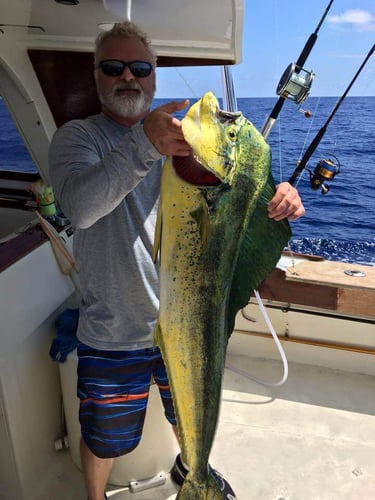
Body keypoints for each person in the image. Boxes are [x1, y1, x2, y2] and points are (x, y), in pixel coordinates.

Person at [49, 21, 305, 500]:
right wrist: (144, 143)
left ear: (154, 74)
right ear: (97, 75)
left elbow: (233, 193)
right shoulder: (77, 139)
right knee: (106, 436)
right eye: (114, 67)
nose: (129, 76)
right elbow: (81, 209)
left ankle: (195, 469)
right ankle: (95, 497)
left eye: (140, 67)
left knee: (191, 412)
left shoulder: (184, 138)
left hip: (192, 322)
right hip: (114, 328)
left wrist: (277, 197)